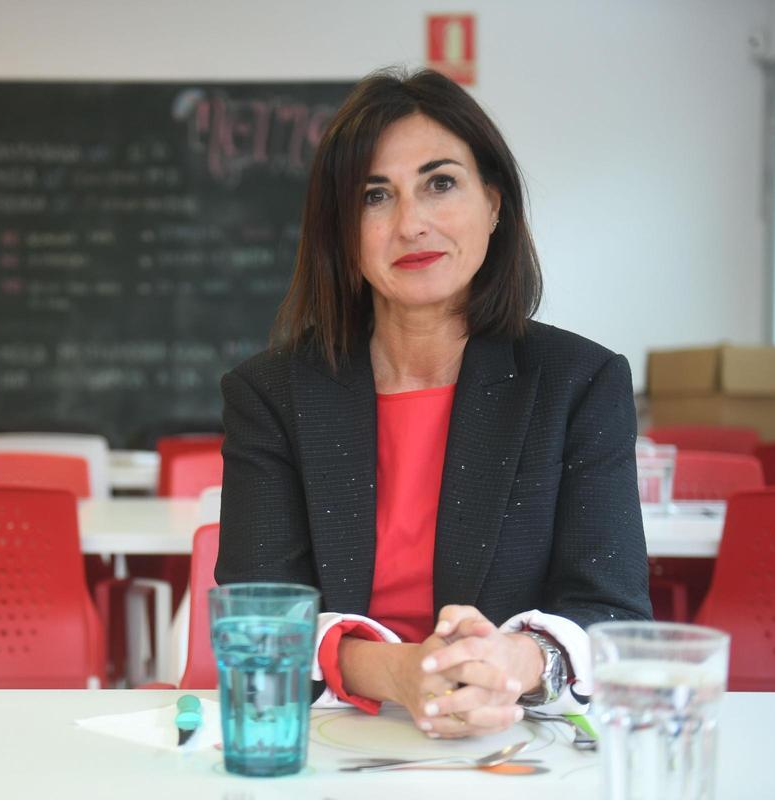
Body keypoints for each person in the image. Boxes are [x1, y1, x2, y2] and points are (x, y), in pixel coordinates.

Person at [216, 67, 651, 739]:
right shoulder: (270, 394)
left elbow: (613, 611)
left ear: (494, 203)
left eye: (440, 183)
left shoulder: (579, 382)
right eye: (374, 196)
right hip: (332, 739)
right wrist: (395, 672)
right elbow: (258, 617)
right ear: (341, 229)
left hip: (515, 740)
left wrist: (516, 660)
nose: (411, 224)